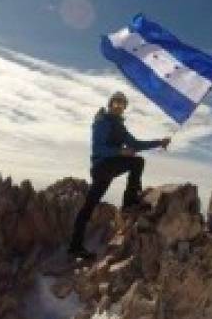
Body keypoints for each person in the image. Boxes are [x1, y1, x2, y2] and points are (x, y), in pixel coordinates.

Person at [68, 91, 170, 260]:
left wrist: (160, 142)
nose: (119, 107)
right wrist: (120, 151)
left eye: (122, 104)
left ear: (124, 108)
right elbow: (99, 148)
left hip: (108, 168)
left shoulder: (119, 126)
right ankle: (129, 202)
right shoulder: (102, 122)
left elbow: (136, 144)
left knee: (89, 206)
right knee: (136, 163)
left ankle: (75, 246)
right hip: (101, 166)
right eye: (116, 103)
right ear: (110, 104)